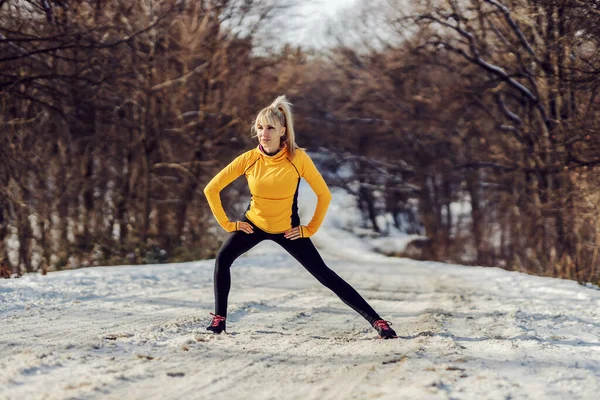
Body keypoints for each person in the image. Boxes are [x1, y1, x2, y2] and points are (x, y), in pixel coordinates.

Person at [203, 95, 398, 339]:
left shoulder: (297, 158)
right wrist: (228, 224)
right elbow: (211, 189)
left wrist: (309, 229)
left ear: (282, 131)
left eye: (270, 128)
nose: (264, 133)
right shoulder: (249, 159)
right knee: (223, 260)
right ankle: (219, 320)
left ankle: (378, 321)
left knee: (325, 275)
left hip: (288, 229)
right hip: (254, 224)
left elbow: (323, 195)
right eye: (260, 128)